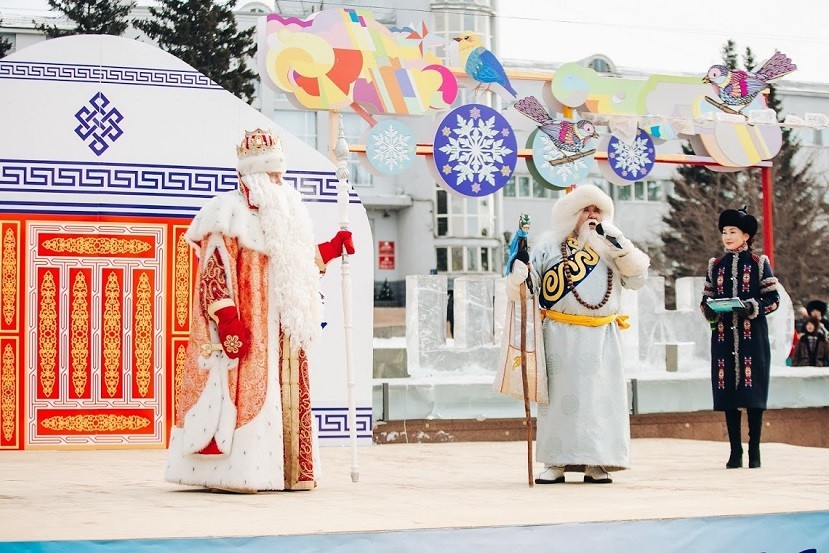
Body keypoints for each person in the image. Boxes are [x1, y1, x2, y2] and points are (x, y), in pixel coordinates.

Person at [165, 128, 355, 492]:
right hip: (250, 325)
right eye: (272, 174)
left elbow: (297, 264)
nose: (279, 180)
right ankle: (242, 473)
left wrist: (331, 248)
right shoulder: (226, 213)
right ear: (252, 176)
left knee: (286, 393)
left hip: (284, 325)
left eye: (280, 173)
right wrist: (229, 319)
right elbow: (214, 273)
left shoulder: (286, 216)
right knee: (247, 396)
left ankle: (289, 472)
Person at [507, 184, 650, 484]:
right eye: (586, 209)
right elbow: (527, 289)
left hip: (602, 337)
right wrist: (519, 273)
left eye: (597, 210)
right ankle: (555, 462)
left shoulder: (612, 247)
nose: (592, 215)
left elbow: (637, 279)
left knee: (601, 401)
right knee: (558, 400)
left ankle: (597, 463)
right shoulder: (548, 247)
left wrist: (620, 243)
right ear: (573, 214)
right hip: (559, 334)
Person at [700, 206, 779, 470]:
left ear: (746, 235)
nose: (727, 236)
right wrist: (709, 309)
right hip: (723, 338)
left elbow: (773, 299)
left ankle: (755, 450)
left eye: (733, 231)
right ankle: (735, 451)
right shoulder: (716, 266)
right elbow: (705, 300)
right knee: (728, 395)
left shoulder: (759, 264)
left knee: (753, 393)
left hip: (751, 338)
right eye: (724, 232)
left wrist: (752, 307)